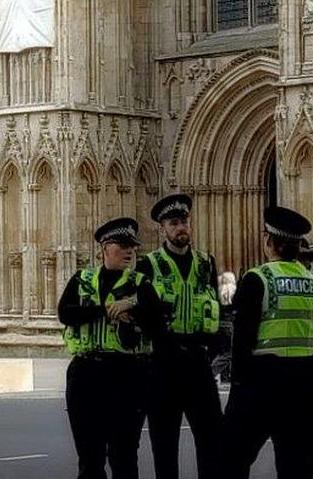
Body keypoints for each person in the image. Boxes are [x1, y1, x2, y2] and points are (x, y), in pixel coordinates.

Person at [218, 206, 313, 479]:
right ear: (298, 246)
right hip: (306, 389)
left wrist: (239, 394)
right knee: (296, 467)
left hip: (262, 386)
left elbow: (241, 344)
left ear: (268, 240)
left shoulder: (258, 279)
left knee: (231, 461)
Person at [59, 217, 165, 479]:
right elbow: (65, 313)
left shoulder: (142, 285)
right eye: (122, 245)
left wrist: (134, 308)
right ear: (104, 248)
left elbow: (158, 326)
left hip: (127, 374)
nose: (130, 251)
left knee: (124, 455)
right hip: (85, 372)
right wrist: (105, 310)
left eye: (133, 246)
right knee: (89, 456)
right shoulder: (82, 279)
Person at [135, 194, 222, 479]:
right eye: (174, 223)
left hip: (198, 363)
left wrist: (213, 347)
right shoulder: (148, 265)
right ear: (163, 228)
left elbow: (216, 308)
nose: (181, 227)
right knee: (164, 444)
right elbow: (140, 315)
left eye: (184, 221)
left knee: (211, 441)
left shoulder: (206, 263)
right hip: (163, 365)